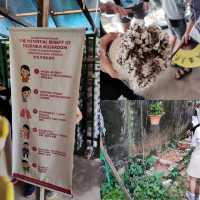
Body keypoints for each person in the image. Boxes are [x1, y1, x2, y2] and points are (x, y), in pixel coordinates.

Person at [100, 1, 145, 100]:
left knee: (120, 83)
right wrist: (101, 52)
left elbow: (96, 8)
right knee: (110, 92)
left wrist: (107, 7)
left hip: (107, 48)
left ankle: (132, 96)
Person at [186, 103, 200, 200]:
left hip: (197, 156)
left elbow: (193, 145)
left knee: (193, 178)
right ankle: (198, 196)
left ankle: (191, 196)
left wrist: (191, 133)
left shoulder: (199, 130)